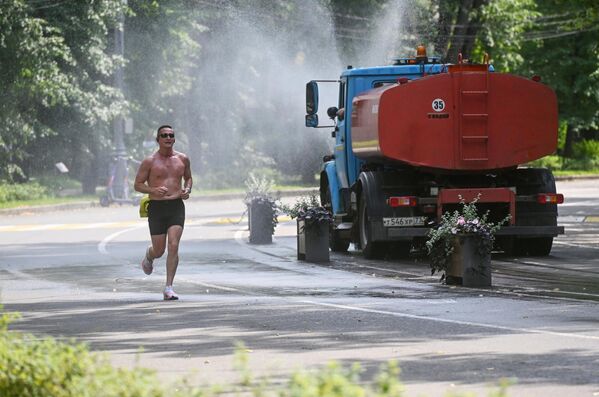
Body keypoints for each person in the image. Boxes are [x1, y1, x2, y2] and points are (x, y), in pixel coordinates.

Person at [134, 125, 192, 300]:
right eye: (164, 135)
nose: (168, 137)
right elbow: (137, 184)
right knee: (159, 250)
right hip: (157, 208)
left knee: (173, 245)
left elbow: (188, 177)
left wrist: (187, 189)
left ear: (174, 139)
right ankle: (149, 256)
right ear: (158, 139)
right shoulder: (149, 161)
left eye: (171, 135)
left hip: (176, 206)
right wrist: (152, 189)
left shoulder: (182, 159)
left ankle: (169, 288)